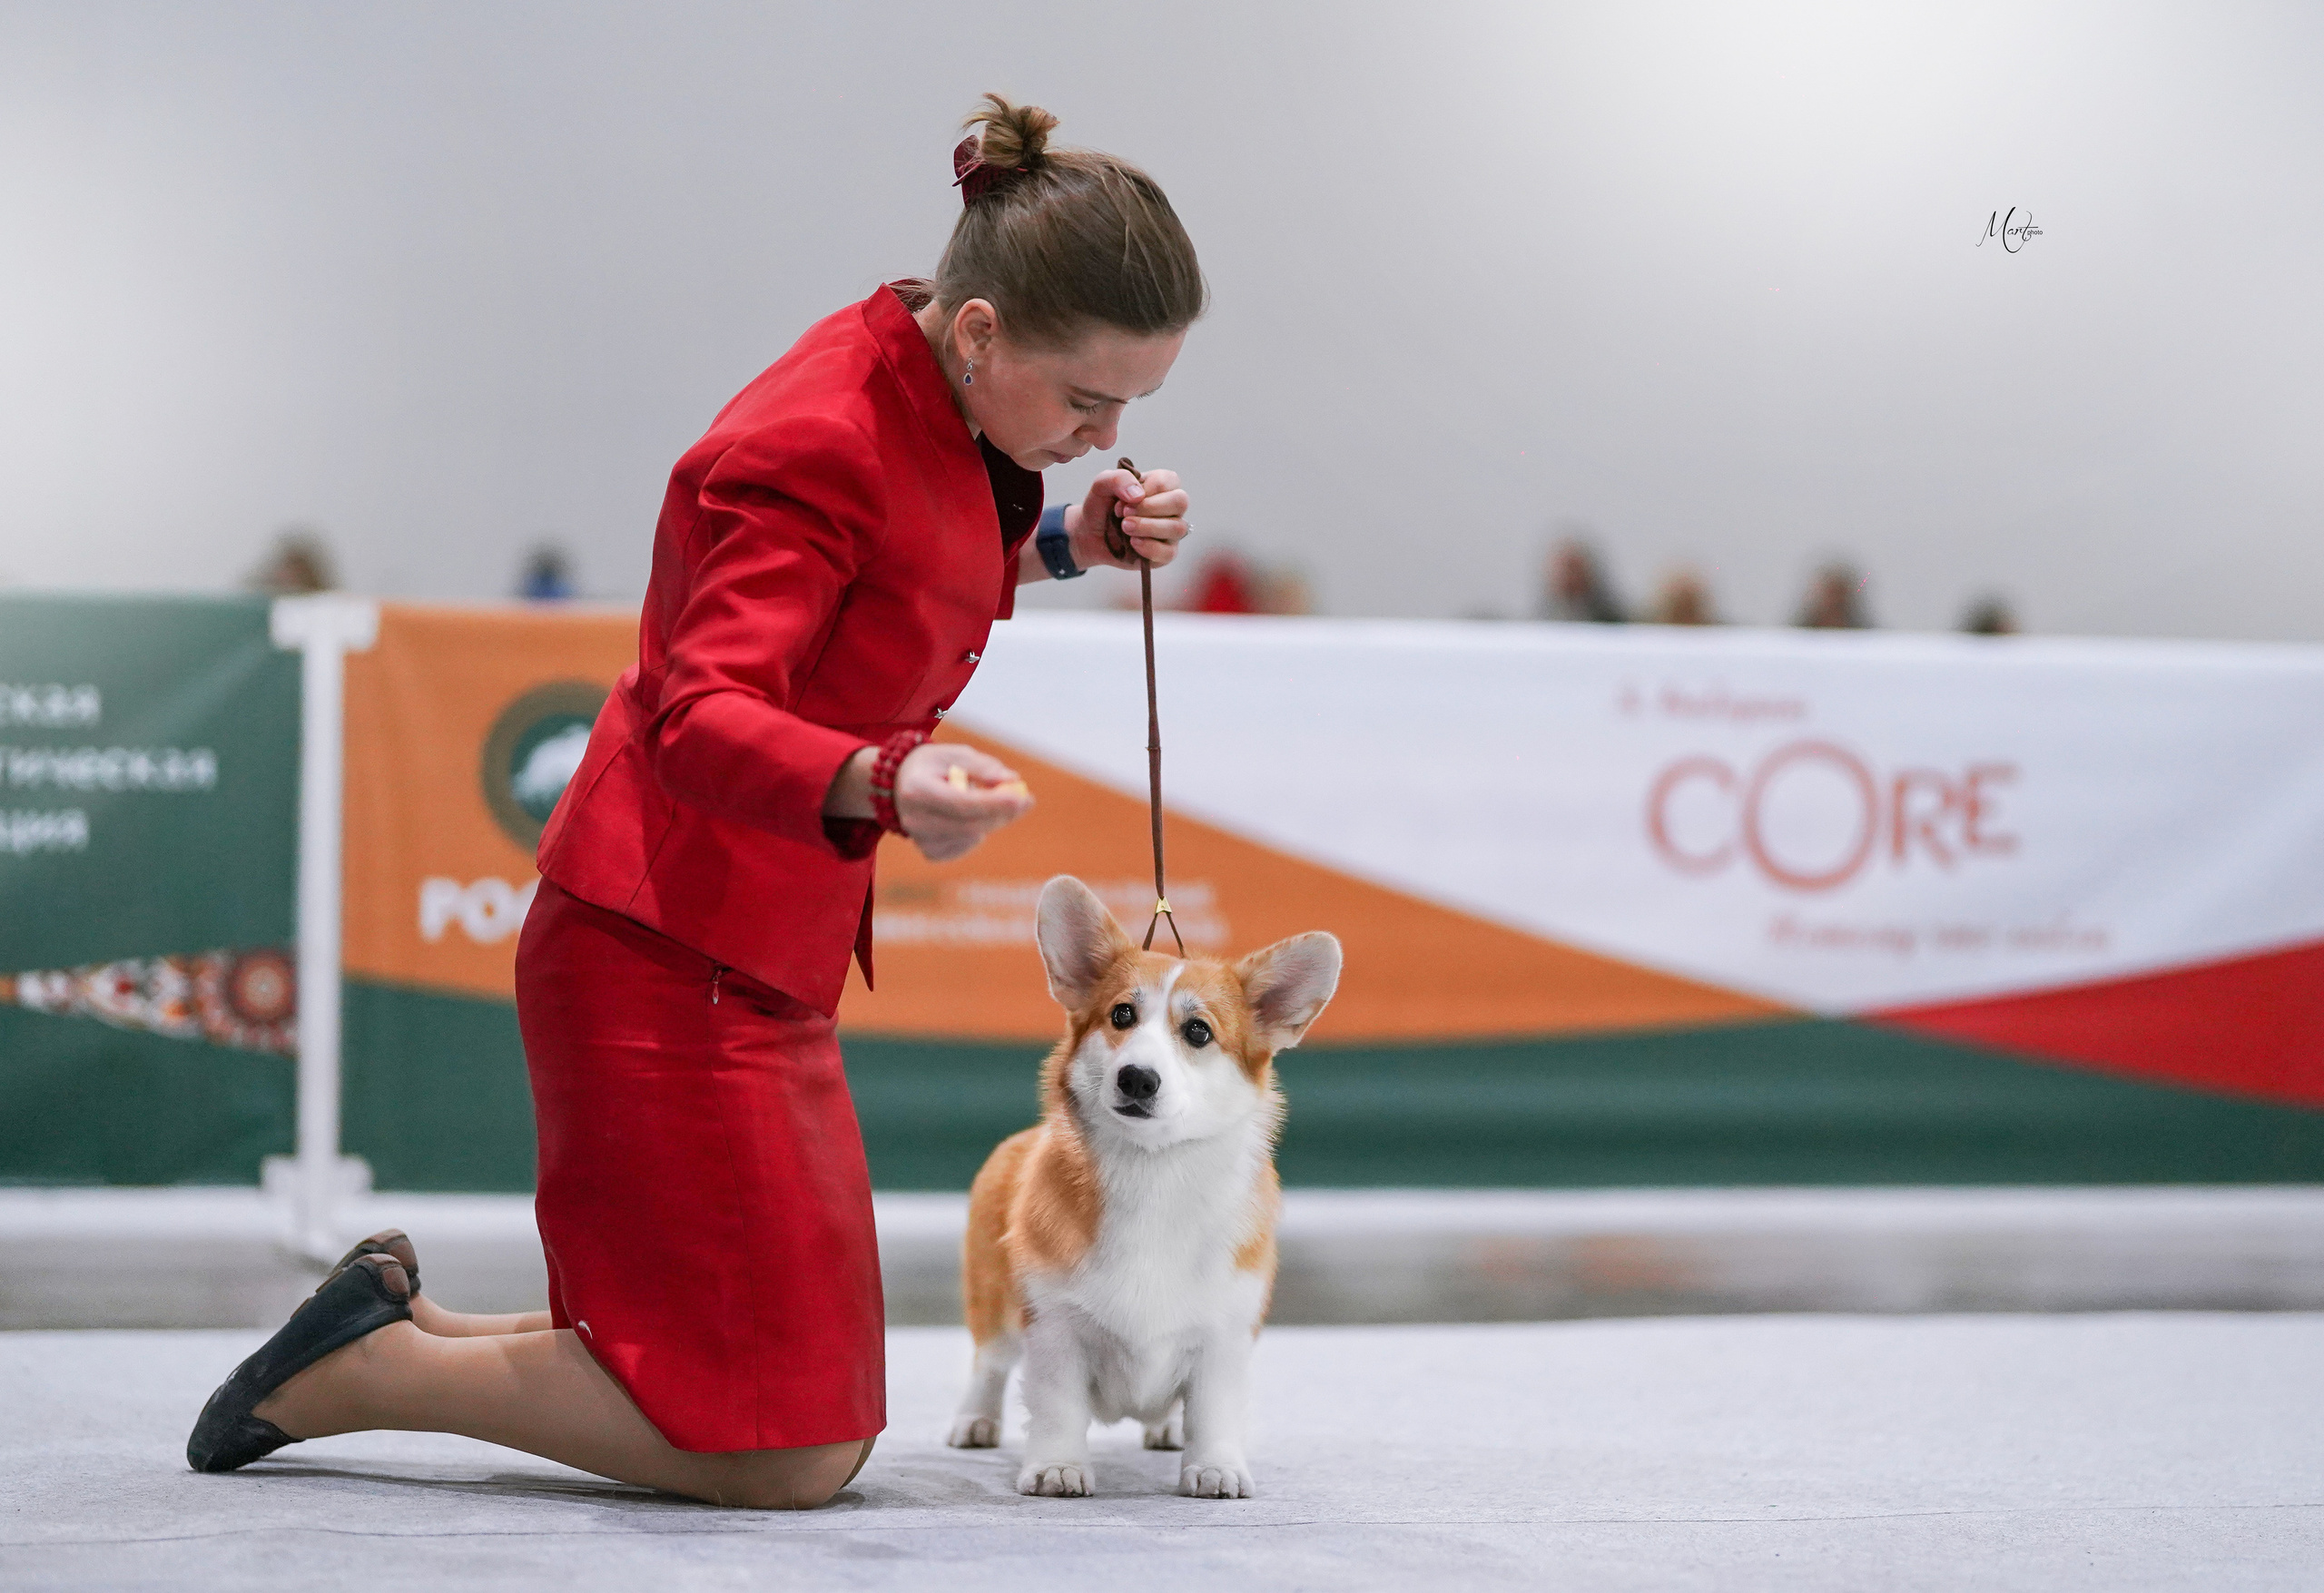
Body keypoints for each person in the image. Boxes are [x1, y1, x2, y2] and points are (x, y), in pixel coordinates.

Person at [186, 94, 1203, 1509]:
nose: (1104, 438)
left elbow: (904, 561)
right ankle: (355, 1375)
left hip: (751, 957)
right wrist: (881, 778)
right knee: (785, 1453)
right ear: (979, 333)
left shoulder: (926, 384)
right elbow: (697, 708)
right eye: (1088, 403)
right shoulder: (812, 438)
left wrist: (1063, 541)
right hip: (655, 956)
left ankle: (387, 1329)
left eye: (1129, 413)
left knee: (810, 1412)